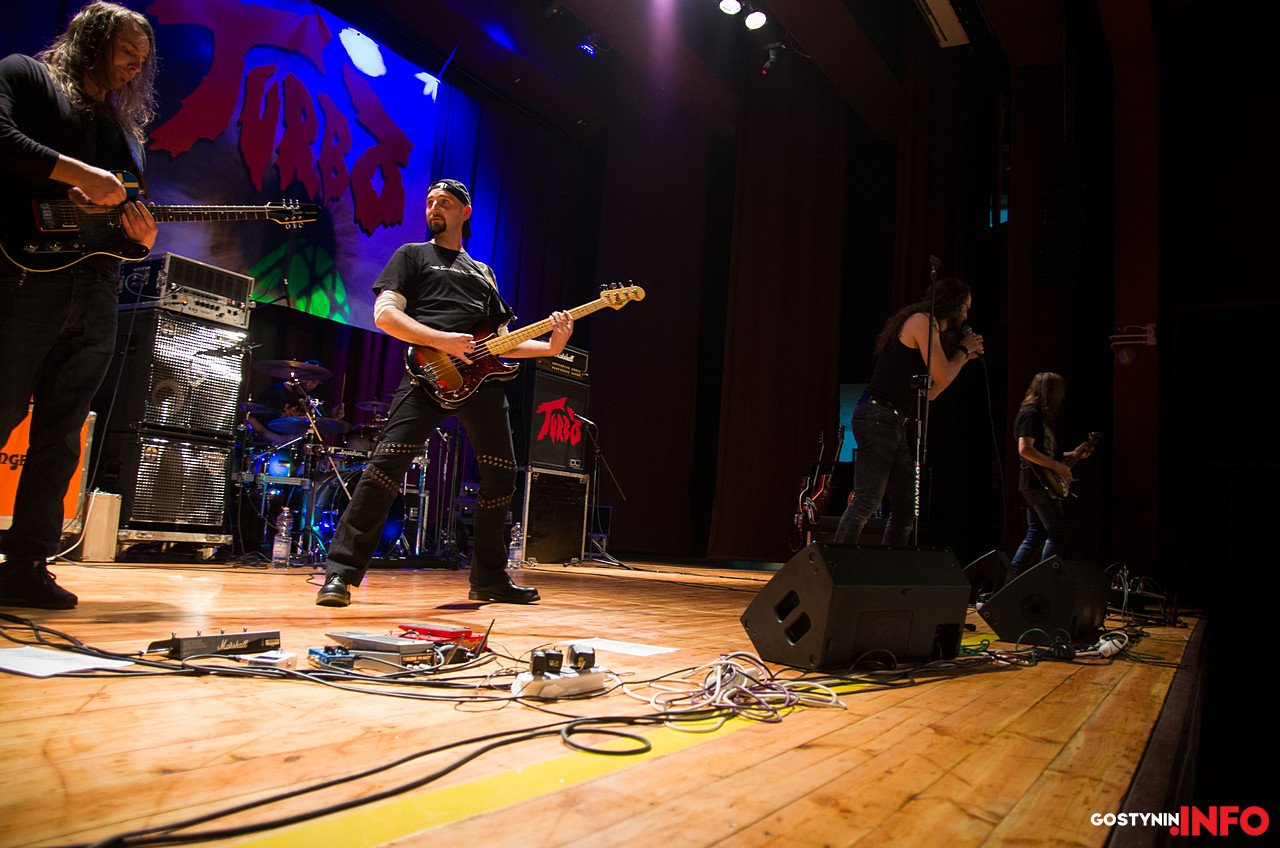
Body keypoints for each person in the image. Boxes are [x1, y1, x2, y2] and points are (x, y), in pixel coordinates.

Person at [315, 179, 573, 606]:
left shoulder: (483, 272)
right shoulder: (412, 255)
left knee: (501, 477)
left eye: (446, 203)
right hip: (428, 373)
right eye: (431, 201)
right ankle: (340, 574)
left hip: (482, 382)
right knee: (383, 470)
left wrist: (550, 347)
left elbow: (500, 341)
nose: (435, 207)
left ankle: (490, 579)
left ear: (465, 213)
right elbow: (385, 315)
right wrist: (442, 341)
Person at [0, 2, 158, 609]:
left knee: (63, 435)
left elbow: (121, 226)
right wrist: (82, 174)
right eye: (127, 51)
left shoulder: (121, 132)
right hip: (21, 275)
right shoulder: (27, 75)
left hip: (94, 289)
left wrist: (141, 239)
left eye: (142, 59)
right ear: (91, 40)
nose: (135, 66)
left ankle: (26, 564)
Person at [833, 278, 983, 547]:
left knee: (906, 509)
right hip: (877, 416)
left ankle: (890, 568)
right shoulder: (923, 321)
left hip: (893, 422)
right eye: (965, 307)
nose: (966, 316)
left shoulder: (931, 330)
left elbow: (931, 392)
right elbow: (943, 374)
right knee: (867, 499)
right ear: (953, 304)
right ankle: (837, 562)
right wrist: (963, 351)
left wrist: (962, 358)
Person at [1009, 371, 1093, 575]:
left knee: (1036, 534)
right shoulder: (1031, 414)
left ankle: (1010, 580)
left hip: (1038, 483)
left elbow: (1043, 452)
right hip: (1038, 482)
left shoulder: (1039, 416)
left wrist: (1073, 455)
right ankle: (1042, 580)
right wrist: (1057, 466)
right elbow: (1025, 450)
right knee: (1058, 533)